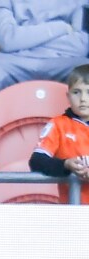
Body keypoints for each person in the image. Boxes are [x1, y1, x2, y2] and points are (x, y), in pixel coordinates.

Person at [0, 0, 89, 108]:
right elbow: (7, 40)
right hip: (14, 60)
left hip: (64, 61)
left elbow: (79, 47)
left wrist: (24, 38)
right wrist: (61, 28)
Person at [29, 64, 89, 203]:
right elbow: (36, 161)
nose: (83, 99)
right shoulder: (58, 125)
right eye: (76, 92)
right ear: (68, 96)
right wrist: (66, 165)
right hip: (73, 210)